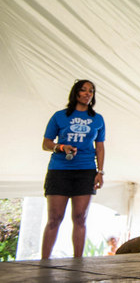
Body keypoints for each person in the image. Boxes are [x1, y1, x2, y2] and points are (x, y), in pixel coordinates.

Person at [40, 80, 106, 260]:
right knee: (54, 219)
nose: (87, 93)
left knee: (80, 218)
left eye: (91, 91)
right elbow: (46, 144)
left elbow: (99, 147)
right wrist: (61, 147)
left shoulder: (97, 119)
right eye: (83, 90)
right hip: (60, 170)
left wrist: (100, 172)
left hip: (85, 171)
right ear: (75, 93)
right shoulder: (59, 116)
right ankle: (44, 262)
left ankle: (78, 263)